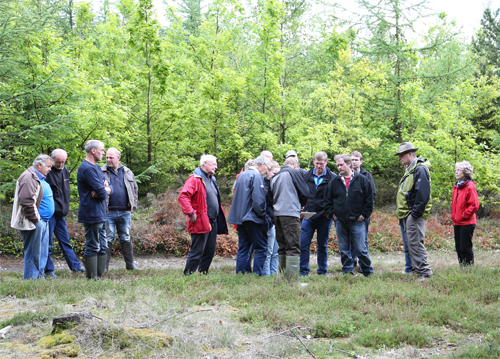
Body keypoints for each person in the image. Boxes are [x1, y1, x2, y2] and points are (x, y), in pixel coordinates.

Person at [324, 154, 374, 277]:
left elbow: (369, 199)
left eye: (341, 165)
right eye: (337, 165)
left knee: (361, 249)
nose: (339, 167)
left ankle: (367, 271)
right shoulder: (334, 182)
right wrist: (332, 215)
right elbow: (327, 200)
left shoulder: (362, 180)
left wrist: (364, 215)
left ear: (349, 164)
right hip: (340, 221)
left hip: (357, 221)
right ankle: (347, 272)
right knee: (344, 249)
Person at [178, 155, 228, 275]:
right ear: (204, 163)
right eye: (214, 164)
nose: (216, 167)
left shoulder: (212, 179)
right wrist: (190, 212)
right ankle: (188, 275)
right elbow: (183, 196)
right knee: (197, 250)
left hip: (213, 220)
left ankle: (203, 273)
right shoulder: (195, 179)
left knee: (210, 250)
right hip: (200, 220)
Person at [11, 154, 54, 280]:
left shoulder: (38, 177)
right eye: (48, 166)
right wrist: (37, 220)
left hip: (41, 221)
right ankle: (31, 280)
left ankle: (38, 278)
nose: (50, 169)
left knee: (41, 252)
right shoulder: (29, 177)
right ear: (39, 165)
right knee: (33, 252)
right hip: (33, 222)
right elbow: (27, 202)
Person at [395, 142, 433, 282]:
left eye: (401, 155)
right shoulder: (410, 169)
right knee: (411, 243)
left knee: (416, 242)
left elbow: (423, 194)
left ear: (410, 154)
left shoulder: (420, 169)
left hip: (414, 214)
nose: (400, 158)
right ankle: (418, 270)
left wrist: (415, 213)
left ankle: (425, 272)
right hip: (408, 213)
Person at [228, 155, 270, 275]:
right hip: (253, 218)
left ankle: (241, 274)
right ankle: (258, 274)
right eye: (268, 167)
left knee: (243, 247)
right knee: (261, 247)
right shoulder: (256, 176)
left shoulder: (242, 175)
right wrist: (263, 214)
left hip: (240, 218)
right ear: (263, 164)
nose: (267, 170)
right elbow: (258, 200)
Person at [45, 149, 84, 276]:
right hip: (49, 214)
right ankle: (49, 271)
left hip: (61, 214)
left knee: (65, 242)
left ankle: (76, 267)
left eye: (63, 162)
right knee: (48, 244)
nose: (60, 164)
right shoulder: (46, 172)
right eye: (58, 162)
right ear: (51, 158)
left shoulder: (65, 171)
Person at [77, 140, 112, 279]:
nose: (103, 153)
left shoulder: (96, 168)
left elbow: (109, 187)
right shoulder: (86, 169)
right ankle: (92, 277)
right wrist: (104, 190)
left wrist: (104, 188)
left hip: (101, 213)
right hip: (91, 213)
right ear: (93, 151)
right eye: (102, 150)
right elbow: (103, 193)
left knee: (103, 245)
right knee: (92, 245)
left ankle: (100, 275)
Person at [271, 157, 309, 283]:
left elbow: (270, 196)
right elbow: (304, 191)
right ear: (294, 165)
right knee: (293, 246)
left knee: (282, 246)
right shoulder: (293, 172)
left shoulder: (275, 176)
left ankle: (282, 278)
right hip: (291, 214)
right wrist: (302, 204)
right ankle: (293, 281)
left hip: (277, 214)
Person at [102, 148, 140, 271]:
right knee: (108, 238)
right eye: (107, 157)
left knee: (126, 237)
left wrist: (132, 207)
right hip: (108, 212)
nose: (108, 160)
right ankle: (104, 267)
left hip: (125, 212)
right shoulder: (101, 172)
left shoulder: (128, 172)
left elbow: (135, 189)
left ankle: (130, 265)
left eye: (111, 157)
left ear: (118, 158)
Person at [300, 151, 335, 276]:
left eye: (321, 164)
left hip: (324, 217)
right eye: (317, 163)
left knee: (322, 245)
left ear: (326, 162)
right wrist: (302, 209)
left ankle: (322, 272)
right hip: (308, 216)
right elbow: (300, 193)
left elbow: (336, 197)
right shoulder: (305, 175)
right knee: (303, 244)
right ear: (314, 162)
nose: (319, 166)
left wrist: (330, 212)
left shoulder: (332, 178)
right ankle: (303, 271)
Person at [350, 151, 376, 272]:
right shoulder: (347, 175)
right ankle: (351, 262)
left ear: (361, 161)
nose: (354, 162)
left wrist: (365, 213)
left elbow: (372, 195)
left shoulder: (367, 175)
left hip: (363, 214)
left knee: (363, 239)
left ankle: (363, 264)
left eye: (356, 160)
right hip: (349, 214)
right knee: (350, 238)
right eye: (352, 160)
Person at [451, 161, 479, 266]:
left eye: (459, 170)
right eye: (456, 170)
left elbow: (475, 205)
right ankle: (462, 267)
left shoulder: (470, 186)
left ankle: (469, 267)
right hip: (457, 222)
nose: (456, 172)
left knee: (465, 246)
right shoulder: (456, 186)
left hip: (467, 222)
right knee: (458, 246)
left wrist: (464, 215)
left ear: (465, 172)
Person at [262, 161, 281, 276]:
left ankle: (274, 274)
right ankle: (267, 276)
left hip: (277, 221)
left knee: (276, 251)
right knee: (268, 251)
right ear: (268, 172)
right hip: (269, 222)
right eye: (274, 173)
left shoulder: (278, 185)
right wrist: (268, 220)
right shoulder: (263, 185)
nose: (276, 176)